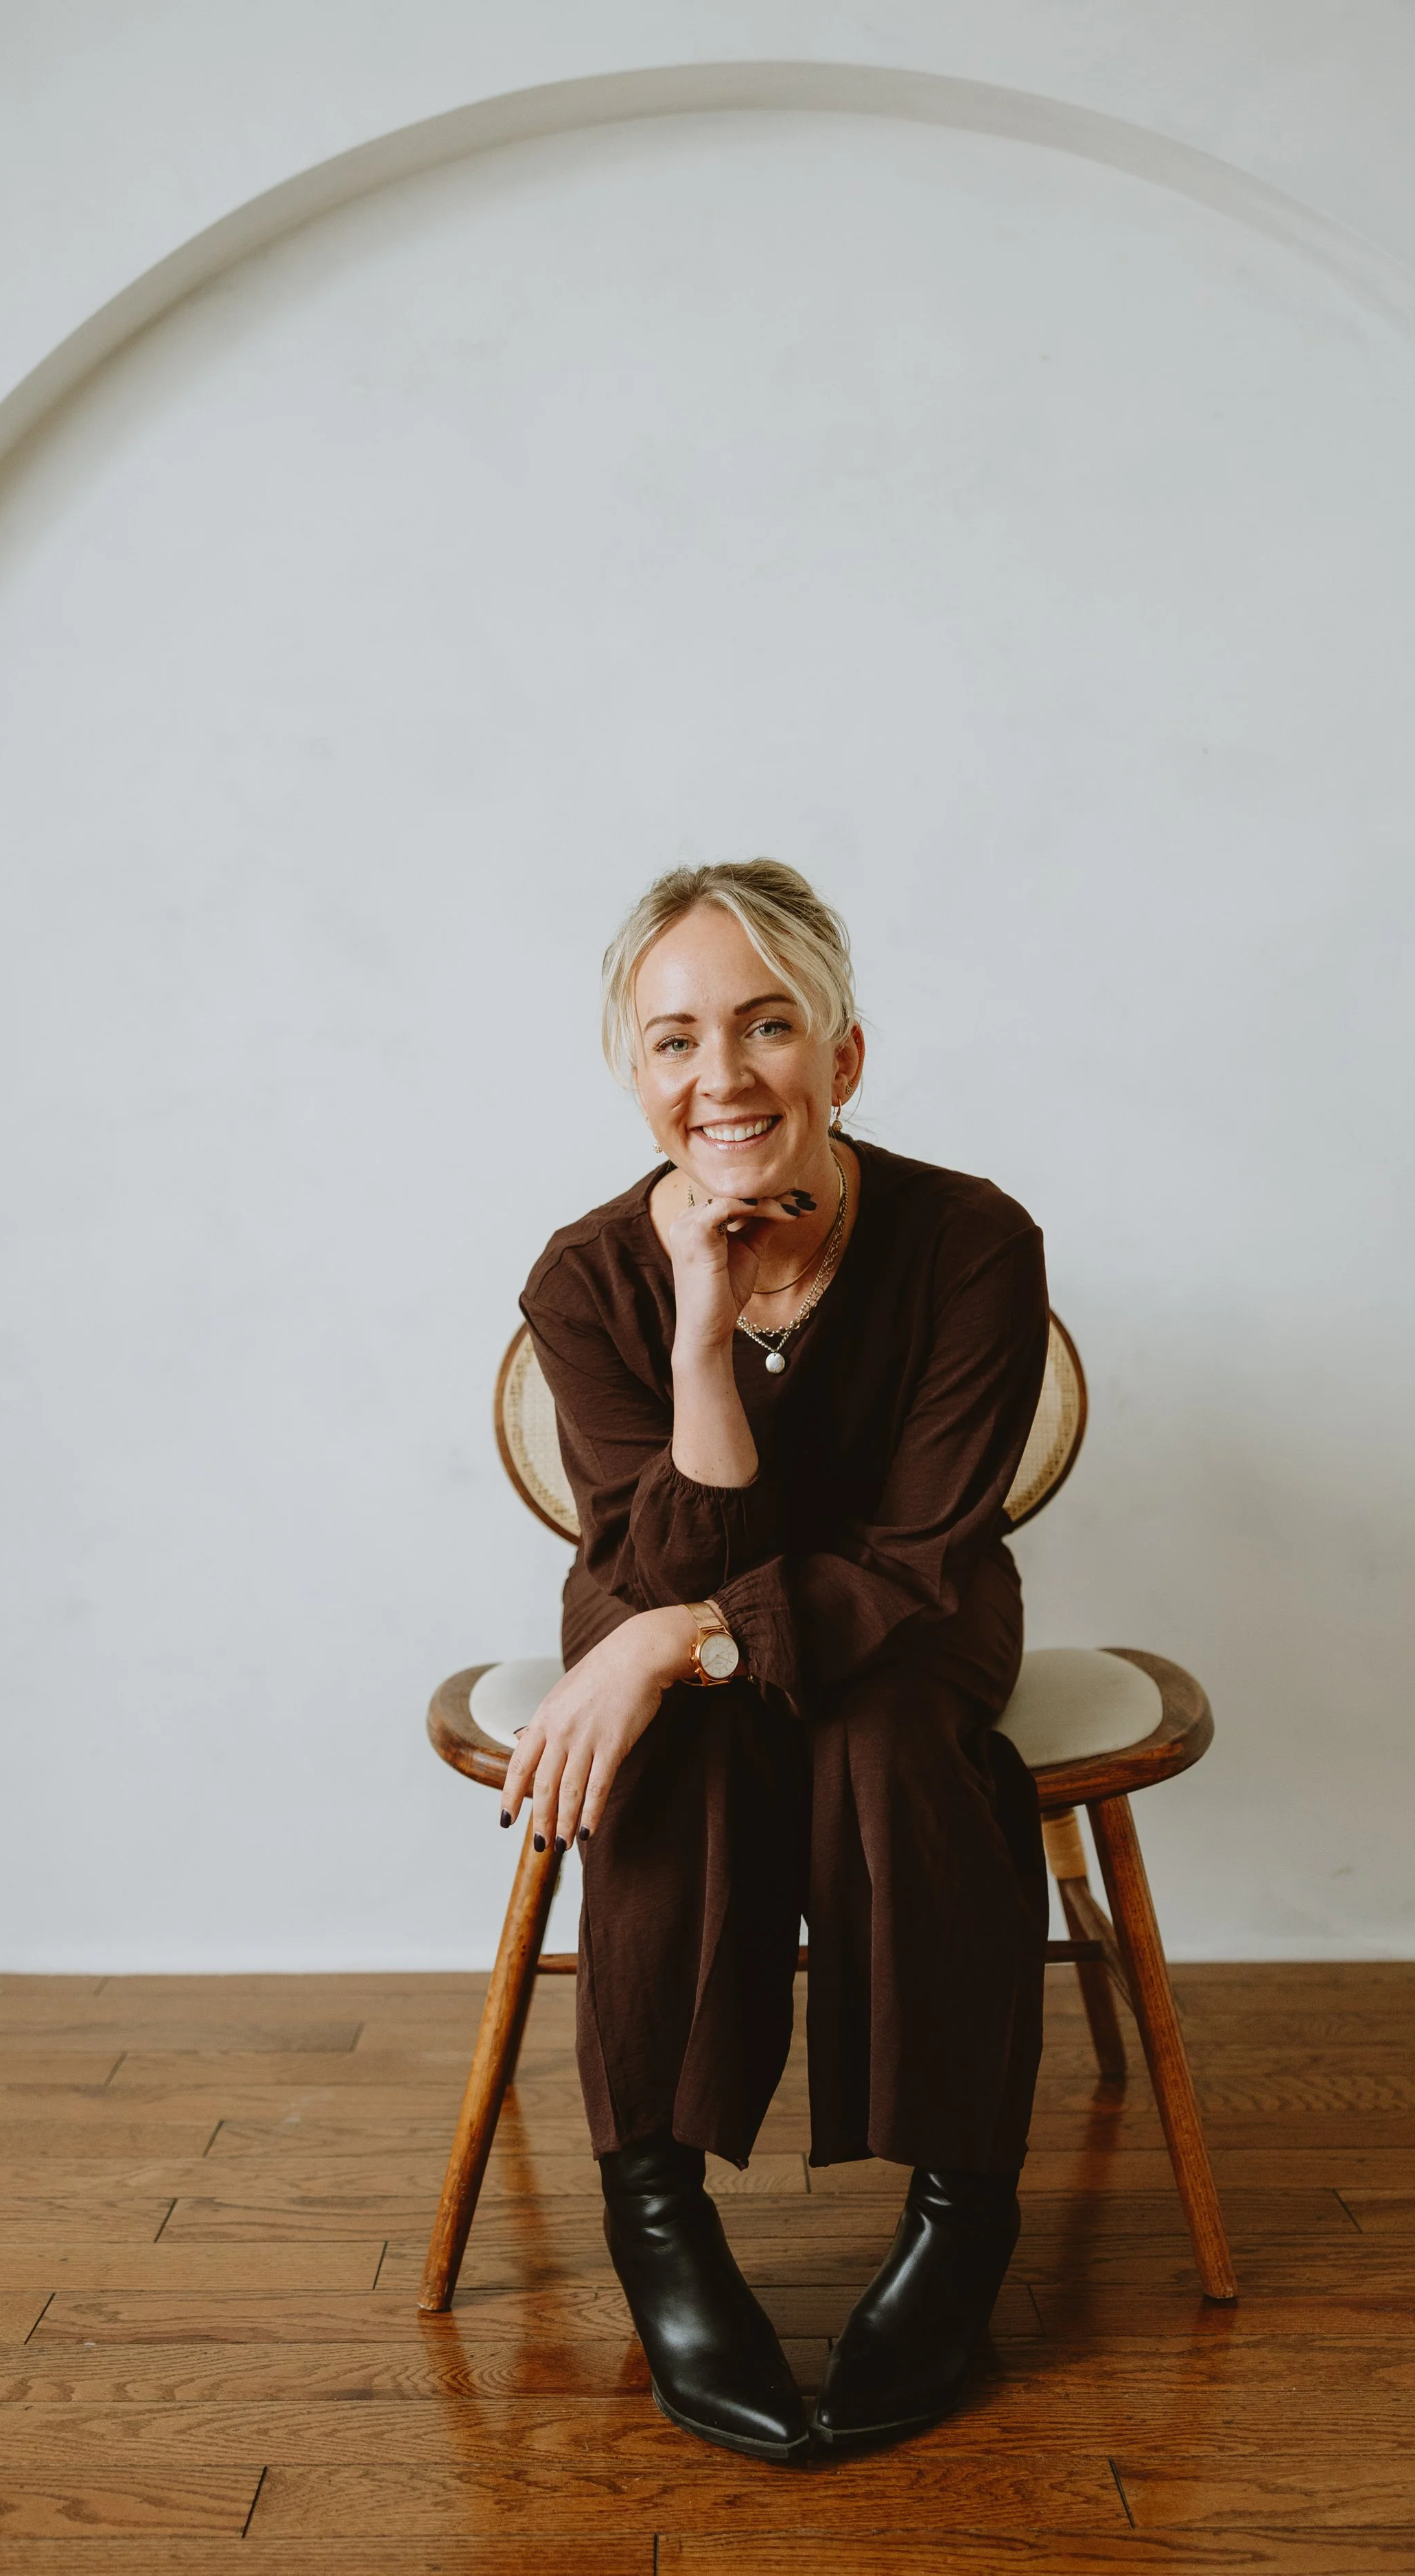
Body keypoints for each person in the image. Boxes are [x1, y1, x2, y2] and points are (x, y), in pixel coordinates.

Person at [500, 860, 1049, 2463]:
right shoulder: (583, 1274)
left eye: (766, 1025)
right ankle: (656, 2214)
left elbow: (922, 1549)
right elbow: (653, 1556)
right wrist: (695, 1333)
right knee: (669, 1746)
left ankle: (960, 2207)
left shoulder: (970, 1243)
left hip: (910, 1617)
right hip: (660, 1591)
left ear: (844, 1055)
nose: (721, 1075)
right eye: (673, 1039)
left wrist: (681, 1639)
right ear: (634, 1072)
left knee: (883, 1743)